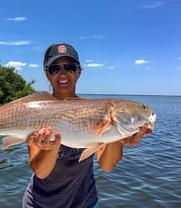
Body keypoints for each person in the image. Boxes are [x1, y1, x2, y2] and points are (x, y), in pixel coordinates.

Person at [22, 43, 148, 208]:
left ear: (79, 71)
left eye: (70, 67)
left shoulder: (96, 111)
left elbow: (107, 165)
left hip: (85, 202)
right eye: (55, 68)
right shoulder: (38, 112)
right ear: (47, 74)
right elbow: (41, 172)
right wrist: (52, 146)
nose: (63, 73)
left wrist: (119, 136)